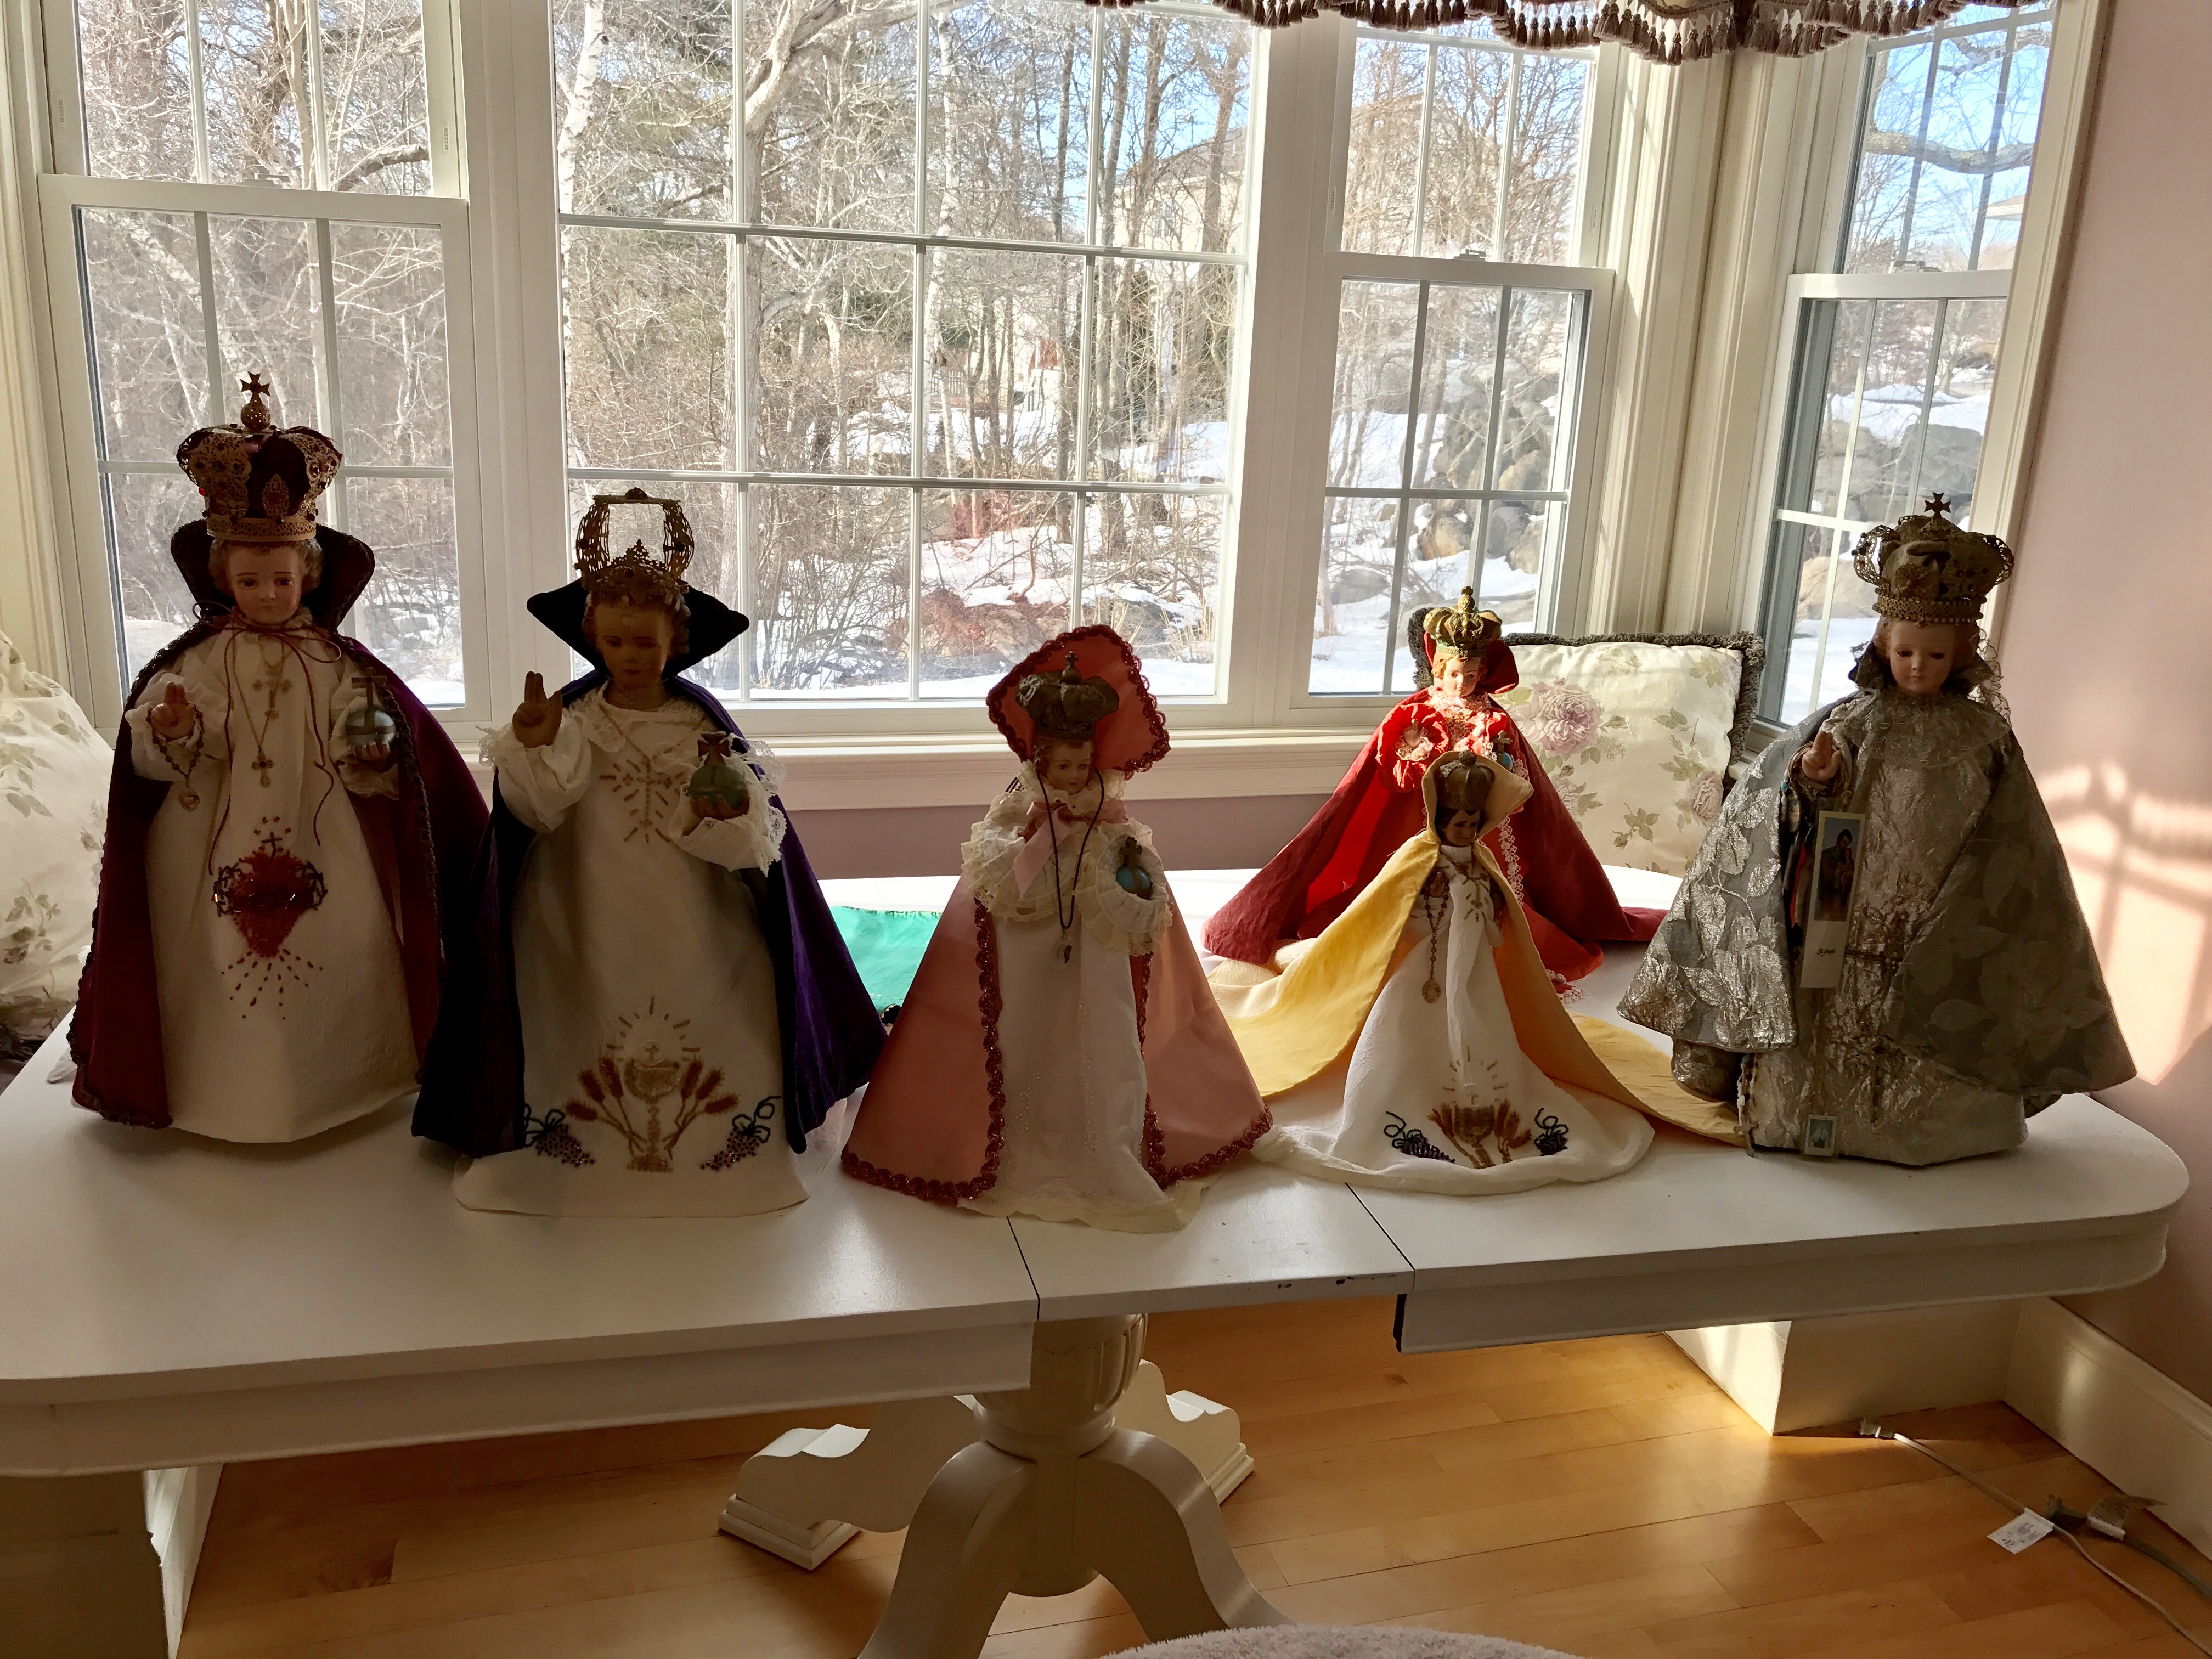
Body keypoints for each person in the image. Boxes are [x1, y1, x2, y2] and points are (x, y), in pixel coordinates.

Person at [1620, 496, 2133, 1164]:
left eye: (1935, 655)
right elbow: (1781, 812)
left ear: (1961, 655)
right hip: (1841, 916)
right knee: (1825, 1007)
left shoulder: (1986, 740)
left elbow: (2017, 839)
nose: (1918, 666)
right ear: (1884, 647)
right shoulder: (1850, 723)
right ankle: (1802, 1120)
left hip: (1942, 914)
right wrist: (1815, 778)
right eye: (1907, 652)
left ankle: (1937, 1131)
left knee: (1933, 1001)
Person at [413, 490, 883, 1214]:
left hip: (691, 910)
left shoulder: (700, 725)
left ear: (675, 643)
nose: (630, 658)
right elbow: (536, 809)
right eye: (615, 643)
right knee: (562, 1012)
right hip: (577, 907)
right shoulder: (572, 716)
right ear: (594, 639)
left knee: (717, 998)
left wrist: (720, 811)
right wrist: (534, 749)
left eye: (645, 644)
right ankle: (557, 1156)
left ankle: (720, 1154)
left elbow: (754, 847)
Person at [70, 376, 485, 1140]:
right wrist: (172, 728)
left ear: (309, 577)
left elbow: (373, 738)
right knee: (205, 954)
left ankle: (343, 1080)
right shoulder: (198, 660)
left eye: (282, 580)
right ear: (224, 578)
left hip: (323, 837)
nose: (267, 595)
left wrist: (371, 748)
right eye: (251, 581)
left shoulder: (335, 662)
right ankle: (216, 1091)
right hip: (209, 844)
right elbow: (157, 758)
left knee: (343, 944)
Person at [842, 627, 1270, 1231]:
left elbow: (1127, 862)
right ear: (1041, 760)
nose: (1073, 776)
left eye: (1081, 763)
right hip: (1029, 929)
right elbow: (1003, 858)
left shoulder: (1107, 810)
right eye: (1062, 765)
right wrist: (1021, 848)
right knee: (1007, 1005)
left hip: (1096, 941)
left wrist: (1126, 877)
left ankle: (1103, 1127)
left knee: (1111, 1013)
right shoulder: (1019, 808)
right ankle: (1000, 1129)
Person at [1211, 752, 1736, 1194]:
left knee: (1484, 1021)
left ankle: (1480, 1094)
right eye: (1456, 822)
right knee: (1402, 1025)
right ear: (1439, 819)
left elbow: (1504, 928)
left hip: (1474, 968)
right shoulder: (1417, 861)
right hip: (1424, 969)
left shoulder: (1481, 864)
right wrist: (1434, 915)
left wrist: (1484, 913)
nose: (1464, 830)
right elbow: (1384, 918)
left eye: (1471, 822)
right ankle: (1396, 1088)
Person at [1204, 590, 1656, 985]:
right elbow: (1391, 764)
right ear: (1439, 668)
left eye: (1472, 675)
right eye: (1455, 674)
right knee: (1402, 875)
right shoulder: (1415, 711)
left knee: (1487, 877)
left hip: (1476, 818)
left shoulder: (1492, 716)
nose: (1463, 683)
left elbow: (1513, 771)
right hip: (1418, 814)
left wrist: (1495, 765)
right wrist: (1418, 759)